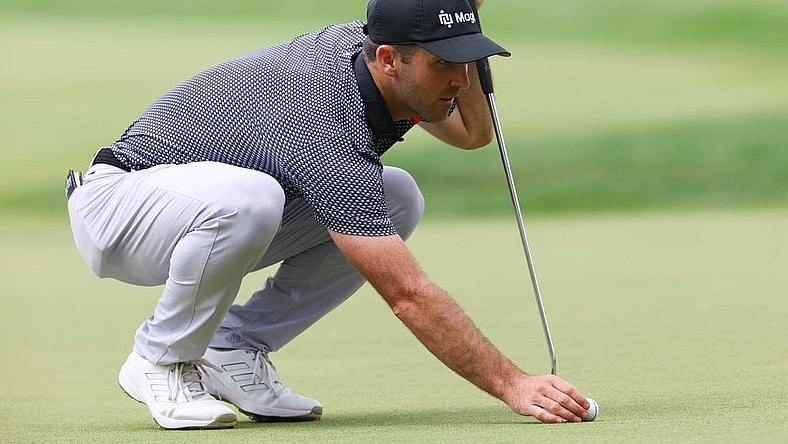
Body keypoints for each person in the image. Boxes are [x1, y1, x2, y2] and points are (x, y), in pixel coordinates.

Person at [65, 0, 592, 430]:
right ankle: (160, 358)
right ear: (389, 60)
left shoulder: (377, 54)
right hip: (118, 210)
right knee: (251, 199)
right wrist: (511, 383)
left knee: (397, 195)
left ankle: (234, 346)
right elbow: (406, 295)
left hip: (196, 215)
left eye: (464, 63)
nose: (459, 81)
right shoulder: (325, 116)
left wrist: (462, 26)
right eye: (443, 65)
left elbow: (472, 134)